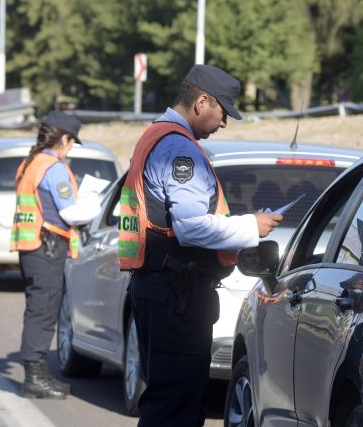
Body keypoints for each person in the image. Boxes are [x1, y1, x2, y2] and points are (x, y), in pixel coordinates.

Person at [117, 64, 282, 427]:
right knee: (176, 407)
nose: (223, 122)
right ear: (201, 101)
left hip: (161, 287)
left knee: (168, 401)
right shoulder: (180, 149)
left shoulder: (155, 134)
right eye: (222, 111)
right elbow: (191, 228)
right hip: (176, 292)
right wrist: (250, 226)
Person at [10, 110, 102, 400]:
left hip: (31, 248)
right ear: (63, 138)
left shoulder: (30, 163)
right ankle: (34, 378)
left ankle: (37, 373)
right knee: (43, 311)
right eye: (72, 142)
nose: (72, 147)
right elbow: (70, 213)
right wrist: (93, 203)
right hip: (47, 248)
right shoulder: (54, 168)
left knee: (38, 309)